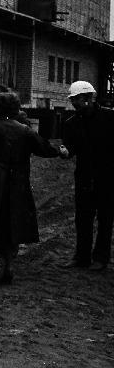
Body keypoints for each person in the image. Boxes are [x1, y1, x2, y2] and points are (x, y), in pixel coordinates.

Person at [0, 92, 59, 285]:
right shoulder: (24, 130)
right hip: (17, 185)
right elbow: (44, 148)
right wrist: (60, 151)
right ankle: (8, 268)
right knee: (11, 224)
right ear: (16, 109)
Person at [58, 80, 114, 271]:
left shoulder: (110, 118)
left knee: (105, 219)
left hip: (107, 178)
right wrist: (66, 152)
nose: (75, 103)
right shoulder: (71, 124)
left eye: (78, 99)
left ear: (90, 98)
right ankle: (81, 257)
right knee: (83, 219)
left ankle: (101, 258)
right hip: (83, 177)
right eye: (73, 100)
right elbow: (70, 148)